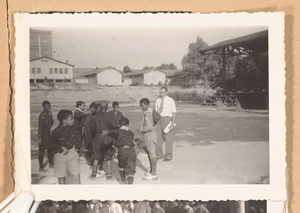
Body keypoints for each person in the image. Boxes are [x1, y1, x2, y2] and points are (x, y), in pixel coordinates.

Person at [49, 110, 81, 184]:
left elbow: (78, 137)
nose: (73, 120)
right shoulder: (56, 131)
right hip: (60, 155)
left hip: (72, 153)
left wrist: (77, 147)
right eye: (71, 119)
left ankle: (79, 193)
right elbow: (48, 144)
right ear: (64, 121)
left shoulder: (74, 128)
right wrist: (60, 147)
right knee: (61, 178)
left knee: (77, 176)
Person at [105, 117, 136, 184]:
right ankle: (130, 184)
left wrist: (107, 132)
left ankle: (123, 181)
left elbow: (111, 134)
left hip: (122, 150)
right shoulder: (131, 132)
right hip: (131, 150)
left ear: (119, 125)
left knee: (122, 166)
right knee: (130, 170)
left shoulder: (118, 132)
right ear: (127, 124)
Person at [89, 101, 114, 180]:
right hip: (107, 137)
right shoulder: (110, 116)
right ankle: (109, 174)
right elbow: (113, 126)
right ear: (107, 107)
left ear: (99, 107)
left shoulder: (95, 116)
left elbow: (92, 128)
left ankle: (94, 173)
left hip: (98, 137)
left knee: (96, 156)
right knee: (108, 157)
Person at [137, 98, 158, 181]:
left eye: (142, 106)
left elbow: (149, 127)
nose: (141, 108)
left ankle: (154, 174)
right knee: (150, 153)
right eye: (140, 106)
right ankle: (151, 171)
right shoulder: (150, 111)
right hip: (149, 136)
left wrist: (140, 130)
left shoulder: (148, 114)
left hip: (150, 136)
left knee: (152, 154)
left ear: (147, 105)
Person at [155, 86, 177, 161]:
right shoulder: (158, 100)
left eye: (163, 92)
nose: (161, 94)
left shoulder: (170, 100)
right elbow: (156, 112)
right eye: (160, 92)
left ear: (166, 92)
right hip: (159, 120)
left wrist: (172, 123)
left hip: (167, 119)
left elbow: (174, 112)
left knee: (168, 138)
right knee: (158, 138)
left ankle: (168, 155)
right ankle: (159, 154)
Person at [37, 100, 54, 171]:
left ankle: (51, 164)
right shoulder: (43, 115)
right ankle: (41, 167)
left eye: (49, 106)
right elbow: (40, 127)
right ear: (43, 107)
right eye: (47, 107)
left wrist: (50, 116)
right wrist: (39, 138)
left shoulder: (48, 114)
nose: (49, 108)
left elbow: (52, 123)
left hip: (48, 135)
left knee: (50, 149)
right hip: (43, 135)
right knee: (42, 151)